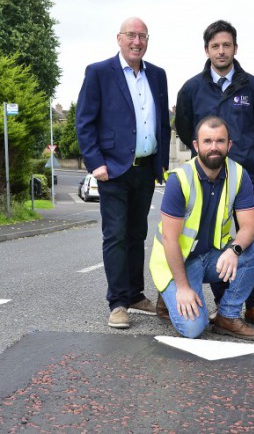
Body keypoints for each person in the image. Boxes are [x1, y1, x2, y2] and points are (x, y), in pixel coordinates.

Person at [174, 20, 254, 329]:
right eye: (215, 45)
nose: (221, 50)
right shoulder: (191, 88)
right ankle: (222, 304)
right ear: (207, 49)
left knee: (253, 236)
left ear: (235, 48)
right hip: (206, 177)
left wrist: (239, 153)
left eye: (226, 45)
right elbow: (183, 127)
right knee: (212, 238)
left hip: (244, 176)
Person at [76, 17, 170, 329]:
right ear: (119, 38)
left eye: (143, 36)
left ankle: (133, 293)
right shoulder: (99, 72)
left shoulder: (157, 75)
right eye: (131, 35)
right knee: (115, 235)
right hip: (112, 171)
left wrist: (161, 165)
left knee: (137, 233)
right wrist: (95, 162)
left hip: (144, 170)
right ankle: (117, 302)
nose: (137, 42)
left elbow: (162, 125)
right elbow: (85, 122)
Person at [150, 116, 254, 340]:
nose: (214, 147)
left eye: (219, 141)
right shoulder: (180, 179)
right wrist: (183, 288)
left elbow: (250, 225)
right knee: (194, 328)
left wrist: (234, 250)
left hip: (211, 256)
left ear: (229, 145)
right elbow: (170, 239)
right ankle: (168, 291)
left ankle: (227, 316)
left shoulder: (238, 174)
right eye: (207, 141)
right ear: (196, 146)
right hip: (178, 260)